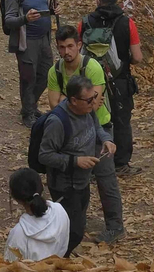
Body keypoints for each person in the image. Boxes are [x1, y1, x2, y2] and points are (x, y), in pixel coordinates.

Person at [44, 26, 125, 242]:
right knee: (76, 177)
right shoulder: (56, 71)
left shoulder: (93, 67)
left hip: (99, 127)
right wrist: (73, 102)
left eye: (70, 46)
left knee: (105, 179)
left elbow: (94, 104)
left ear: (79, 45)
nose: (66, 51)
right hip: (71, 130)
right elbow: (53, 104)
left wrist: (70, 100)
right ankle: (75, 224)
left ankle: (115, 227)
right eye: (61, 47)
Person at [35, 75, 114, 257]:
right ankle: (52, 258)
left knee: (76, 224)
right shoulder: (57, 122)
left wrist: (106, 140)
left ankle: (63, 255)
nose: (94, 103)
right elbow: (45, 155)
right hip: (64, 185)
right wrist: (76, 161)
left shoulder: (87, 109)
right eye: (89, 100)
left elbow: (97, 127)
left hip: (82, 181)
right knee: (74, 231)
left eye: (94, 96)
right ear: (73, 100)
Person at [79, 0, 143, 175]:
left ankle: (91, 163)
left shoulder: (85, 22)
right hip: (120, 80)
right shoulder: (127, 22)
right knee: (122, 120)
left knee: (91, 118)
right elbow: (138, 57)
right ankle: (121, 164)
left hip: (91, 80)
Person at [2, 0, 56, 125]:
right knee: (28, 77)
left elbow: (44, 7)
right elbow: (8, 20)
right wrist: (25, 18)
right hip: (26, 41)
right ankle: (27, 113)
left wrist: (53, 11)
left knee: (46, 74)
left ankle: (30, 106)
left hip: (44, 38)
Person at [4, 168, 70, 262]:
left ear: (16, 199)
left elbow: (12, 267)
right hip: (56, 271)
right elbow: (64, 246)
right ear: (41, 186)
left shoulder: (18, 234)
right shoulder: (60, 211)